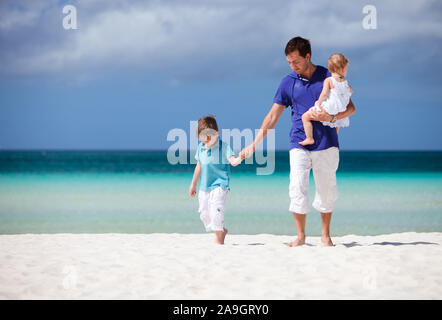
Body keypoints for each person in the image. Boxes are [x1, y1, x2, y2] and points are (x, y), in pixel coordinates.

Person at [238, 37, 356, 247]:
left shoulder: (328, 75)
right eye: (289, 62)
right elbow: (272, 116)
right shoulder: (288, 82)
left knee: (326, 189)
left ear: (307, 56)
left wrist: (332, 119)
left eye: (296, 61)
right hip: (299, 142)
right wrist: (253, 144)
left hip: (327, 142)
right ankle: (301, 237)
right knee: (297, 187)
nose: (293, 66)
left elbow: (350, 107)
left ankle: (325, 236)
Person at [189, 115, 241, 244]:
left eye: (209, 137)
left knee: (216, 212)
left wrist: (240, 158)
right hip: (204, 186)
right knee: (204, 214)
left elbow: (233, 161)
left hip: (220, 185)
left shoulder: (224, 147)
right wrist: (193, 184)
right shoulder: (201, 148)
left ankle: (218, 241)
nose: (206, 140)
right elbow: (199, 165)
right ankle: (221, 231)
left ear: (216, 133)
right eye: (203, 137)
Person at [299, 53, 353, 146]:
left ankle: (309, 138)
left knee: (305, 117)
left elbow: (324, 94)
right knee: (337, 123)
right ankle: (333, 139)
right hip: (340, 109)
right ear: (343, 69)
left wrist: (318, 103)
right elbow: (351, 91)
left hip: (330, 107)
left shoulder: (329, 80)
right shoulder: (346, 83)